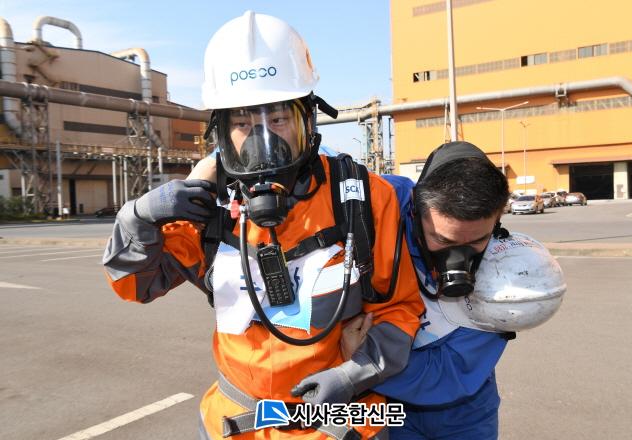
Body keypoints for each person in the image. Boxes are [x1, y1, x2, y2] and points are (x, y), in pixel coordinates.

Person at [103, 11, 423, 440]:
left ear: (307, 118)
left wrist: (355, 374)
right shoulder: (205, 206)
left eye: (278, 120)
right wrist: (138, 218)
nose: (263, 140)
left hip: (339, 422)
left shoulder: (361, 197)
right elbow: (135, 286)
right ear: (220, 132)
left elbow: (400, 308)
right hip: (235, 422)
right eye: (243, 124)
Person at [344, 141, 566, 440]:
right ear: (415, 211)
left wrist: (360, 363)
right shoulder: (382, 205)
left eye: (476, 241)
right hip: (388, 409)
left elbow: (447, 376)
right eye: (443, 240)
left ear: (497, 222)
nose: (458, 257)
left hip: (465, 416)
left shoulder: (506, 272)